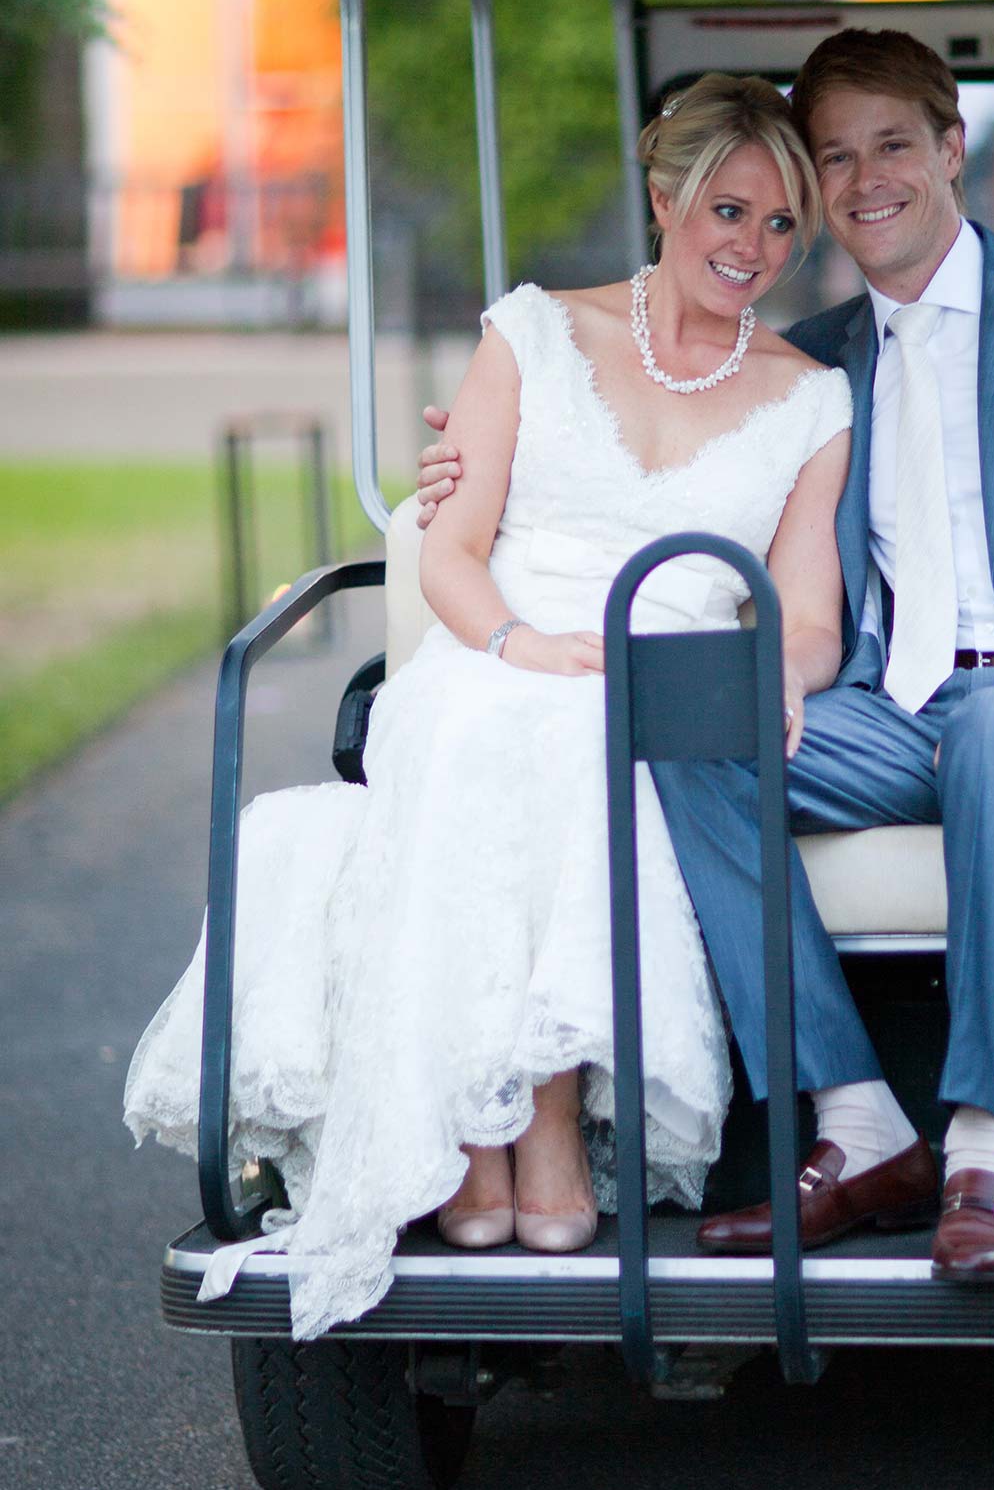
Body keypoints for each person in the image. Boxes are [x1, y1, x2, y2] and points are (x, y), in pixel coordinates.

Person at [421, 29, 994, 1283]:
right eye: (836, 157)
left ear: (954, 149)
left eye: (893, 146)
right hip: (898, 714)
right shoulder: (818, 363)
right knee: (689, 724)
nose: (865, 179)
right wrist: (479, 453)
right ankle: (859, 1123)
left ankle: (982, 1148)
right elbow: (705, 488)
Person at [124, 74, 853, 1340]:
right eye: (730, 213)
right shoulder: (532, 332)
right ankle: (472, 1127)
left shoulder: (809, 396)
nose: (754, 249)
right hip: (500, 646)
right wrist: (525, 642)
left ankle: (545, 1114)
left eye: (784, 225)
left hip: (661, 680)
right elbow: (451, 552)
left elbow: (805, 611)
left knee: (601, 730)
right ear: (664, 198)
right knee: (487, 721)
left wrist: (776, 676)